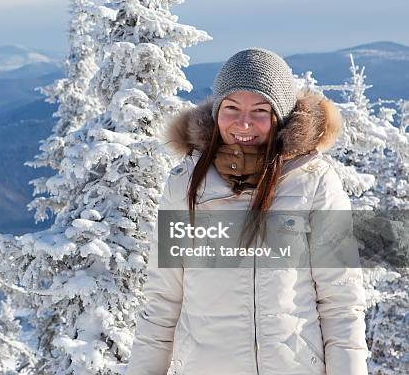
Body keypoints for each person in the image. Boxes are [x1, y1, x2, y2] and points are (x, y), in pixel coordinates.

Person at [125, 48, 368, 375]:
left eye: (260, 110)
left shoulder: (313, 183)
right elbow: (162, 302)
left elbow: (341, 302)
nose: (243, 122)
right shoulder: (184, 186)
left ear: (279, 116)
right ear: (216, 112)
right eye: (232, 108)